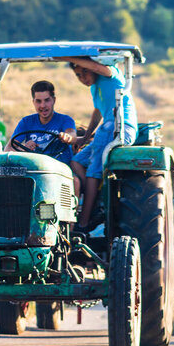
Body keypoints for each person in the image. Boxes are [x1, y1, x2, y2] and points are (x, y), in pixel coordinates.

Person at [57, 56, 138, 231]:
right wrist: (84, 138)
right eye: (78, 75)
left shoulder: (112, 75)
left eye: (85, 72)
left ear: (93, 68)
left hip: (119, 128)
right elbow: (97, 112)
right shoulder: (94, 88)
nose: (83, 78)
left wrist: (65, 57)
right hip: (106, 129)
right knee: (76, 162)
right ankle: (96, 201)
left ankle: (84, 222)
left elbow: (95, 66)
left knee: (93, 171)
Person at [5, 80, 77, 165]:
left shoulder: (65, 120)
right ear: (33, 102)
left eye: (47, 100)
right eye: (38, 101)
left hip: (59, 171)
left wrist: (67, 137)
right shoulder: (26, 122)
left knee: (76, 179)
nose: (43, 105)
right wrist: (23, 149)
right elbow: (8, 149)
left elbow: (72, 135)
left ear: (54, 100)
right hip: (36, 171)